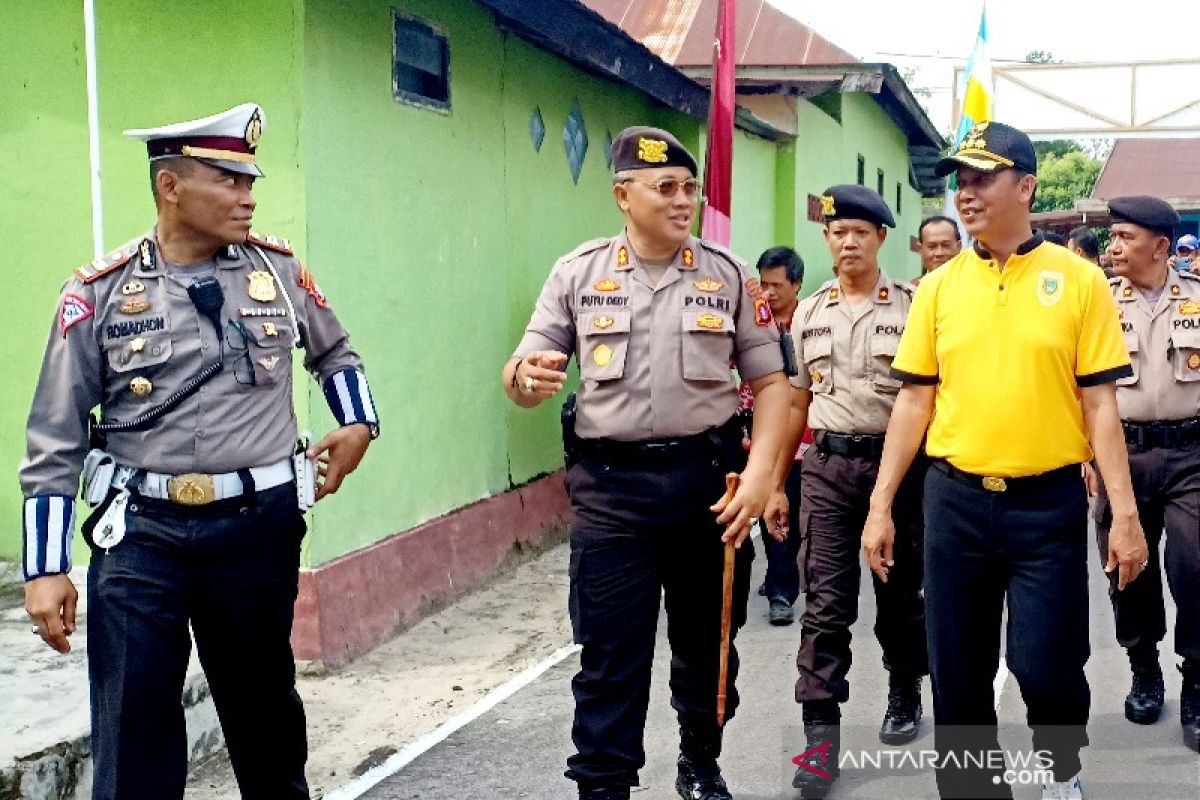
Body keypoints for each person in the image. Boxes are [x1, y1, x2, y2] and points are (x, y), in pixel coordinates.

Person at [20, 103, 378, 800]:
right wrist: (44, 568)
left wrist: (359, 424)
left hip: (256, 528)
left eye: (251, 183)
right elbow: (53, 435)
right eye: (229, 181)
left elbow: (337, 354)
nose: (249, 198)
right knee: (134, 734)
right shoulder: (100, 293)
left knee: (266, 724)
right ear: (171, 187)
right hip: (141, 536)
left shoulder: (276, 273)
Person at [501, 126, 790, 800]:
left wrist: (762, 476)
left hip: (708, 489)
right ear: (623, 196)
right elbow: (522, 365)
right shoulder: (578, 273)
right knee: (609, 659)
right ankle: (605, 787)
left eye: (690, 187)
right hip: (613, 494)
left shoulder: (728, 276)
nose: (682, 199)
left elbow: (774, 386)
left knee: (709, 650)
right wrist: (525, 377)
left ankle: (700, 763)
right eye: (666, 187)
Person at [862, 121, 1149, 800]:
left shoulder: (1079, 282)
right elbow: (912, 403)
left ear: (1026, 185)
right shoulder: (938, 289)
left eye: (981, 179)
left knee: (1047, 665)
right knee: (957, 671)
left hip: (1044, 505)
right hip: (954, 502)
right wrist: (881, 506)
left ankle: (1061, 771)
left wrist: (1124, 515)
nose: (966, 194)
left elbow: (1100, 407)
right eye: (960, 181)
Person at [783, 185, 929, 798]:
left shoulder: (916, 306)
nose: (848, 242)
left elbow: (928, 398)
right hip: (826, 470)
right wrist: (775, 483)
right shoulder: (807, 311)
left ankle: (903, 690)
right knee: (825, 608)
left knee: (898, 599)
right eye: (838, 232)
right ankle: (820, 745)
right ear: (827, 239)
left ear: (881, 240)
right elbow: (795, 400)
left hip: (900, 475)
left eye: (861, 233)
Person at [1101, 196, 1200, 752]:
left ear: (1161, 246)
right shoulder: (1096, 303)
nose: (1113, 247)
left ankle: (1197, 678)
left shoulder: (1199, 301)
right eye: (1112, 237)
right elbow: (1078, 388)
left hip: (1192, 455)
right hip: (1123, 457)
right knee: (1127, 569)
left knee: (1196, 566)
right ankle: (1144, 667)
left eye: (1125, 237)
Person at [738, 245, 810, 626]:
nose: (767, 293)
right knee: (754, 507)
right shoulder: (752, 321)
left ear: (796, 284)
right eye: (763, 285)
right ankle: (776, 576)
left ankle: (783, 590)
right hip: (751, 431)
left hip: (796, 436)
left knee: (783, 510)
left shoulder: (808, 323)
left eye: (776, 285)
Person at [916, 215, 962, 280]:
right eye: (932, 246)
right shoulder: (914, 289)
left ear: (959, 246)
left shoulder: (974, 285)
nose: (939, 253)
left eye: (946, 245)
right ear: (920, 249)